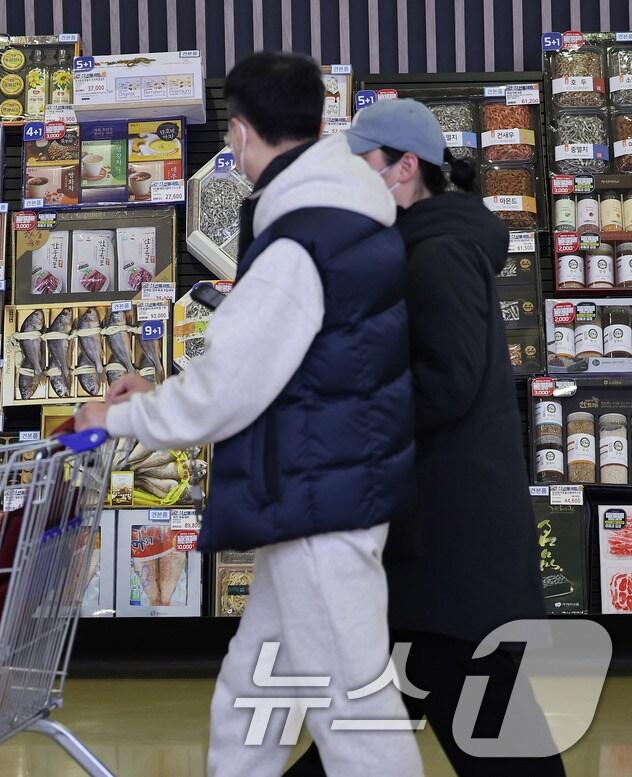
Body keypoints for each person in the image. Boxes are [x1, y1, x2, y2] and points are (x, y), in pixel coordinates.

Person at [75, 52, 421, 776]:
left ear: (237, 133)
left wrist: (115, 422)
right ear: (318, 119)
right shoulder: (346, 212)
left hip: (315, 505)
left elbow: (228, 386)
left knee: (354, 714)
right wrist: (156, 396)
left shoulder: (300, 236)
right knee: (252, 691)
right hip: (316, 492)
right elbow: (284, 361)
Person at [281, 99, 565, 777]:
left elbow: (446, 383)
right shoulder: (420, 250)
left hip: (448, 555)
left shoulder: (435, 255)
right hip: (441, 552)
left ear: (406, 169)